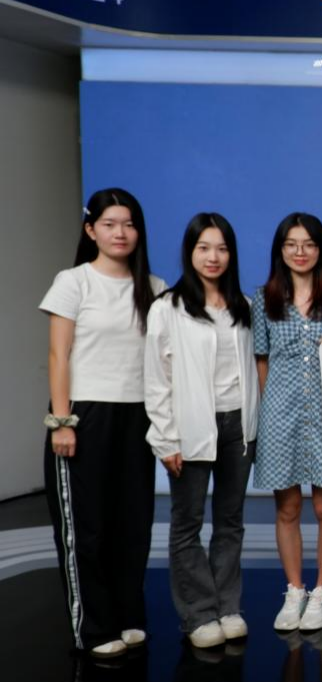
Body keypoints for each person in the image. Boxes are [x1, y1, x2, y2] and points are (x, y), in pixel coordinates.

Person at [39, 188, 165, 658]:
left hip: (138, 415)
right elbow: (58, 355)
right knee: (85, 529)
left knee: (132, 523)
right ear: (91, 230)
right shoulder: (73, 282)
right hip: (84, 415)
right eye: (110, 224)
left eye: (129, 224)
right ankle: (92, 628)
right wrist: (62, 421)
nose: (120, 233)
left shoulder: (154, 287)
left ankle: (127, 615)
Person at [145, 213, 259, 649]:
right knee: (187, 523)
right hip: (192, 427)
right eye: (204, 248)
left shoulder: (243, 306)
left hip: (237, 428)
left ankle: (228, 606)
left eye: (222, 248)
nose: (213, 257)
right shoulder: (168, 308)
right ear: (189, 252)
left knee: (230, 522)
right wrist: (165, 438)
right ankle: (198, 614)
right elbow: (156, 378)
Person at [253, 213, 322, 632]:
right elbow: (262, 363)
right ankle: (294, 592)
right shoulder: (263, 300)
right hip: (281, 415)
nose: (300, 252)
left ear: (321, 250)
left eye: (308, 244)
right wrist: (268, 411)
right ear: (280, 250)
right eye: (291, 244)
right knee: (287, 507)